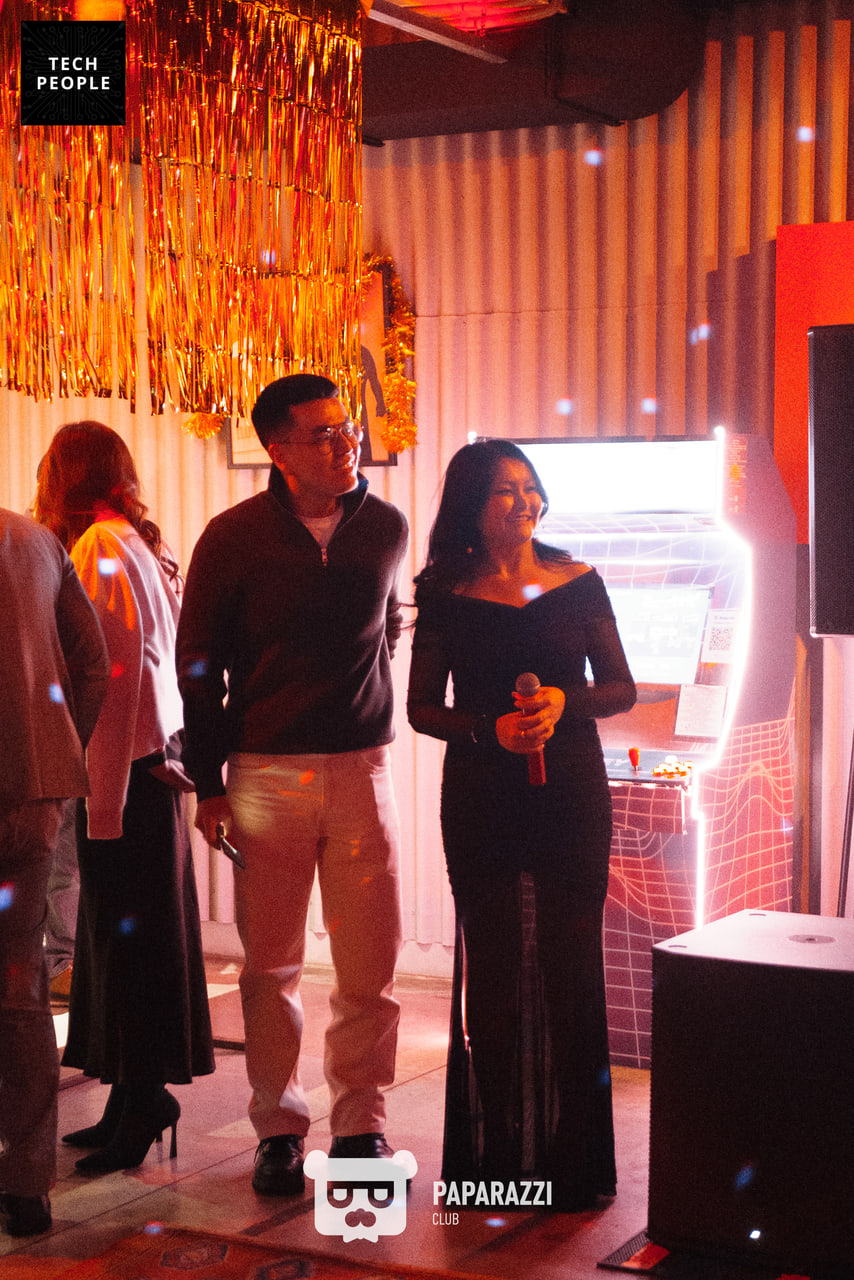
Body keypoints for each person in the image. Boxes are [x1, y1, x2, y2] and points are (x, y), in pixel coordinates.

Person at [175, 373, 408, 1196]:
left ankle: (361, 1124)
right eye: (324, 435)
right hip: (265, 773)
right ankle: (278, 1127)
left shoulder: (384, 526)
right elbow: (197, 667)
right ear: (278, 450)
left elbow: (387, 630)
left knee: (368, 967)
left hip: (363, 770)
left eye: (350, 430)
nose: (347, 445)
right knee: (269, 967)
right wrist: (208, 785)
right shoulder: (233, 537)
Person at [406, 439, 636, 1212]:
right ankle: (496, 1153)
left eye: (530, 486)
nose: (525, 500)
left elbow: (620, 689)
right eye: (506, 490)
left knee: (573, 965)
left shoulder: (579, 581)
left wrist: (567, 702)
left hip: (571, 789)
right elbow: (422, 708)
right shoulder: (446, 591)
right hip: (481, 792)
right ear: (472, 505)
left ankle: (575, 1159)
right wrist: (488, 729)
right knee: (494, 968)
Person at [33, 422, 215, 1176]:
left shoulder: (100, 547)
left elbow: (113, 680)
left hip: (125, 773)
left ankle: (141, 1100)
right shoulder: (132, 541)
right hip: (147, 768)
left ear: (65, 476)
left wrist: (97, 796)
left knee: (128, 947)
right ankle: (131, 1096)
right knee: (123, 943)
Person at [0, 507, 109, 1237]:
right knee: (20, 984)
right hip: (33, 792)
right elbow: (95, 666)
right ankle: (27, 1184)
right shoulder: (34, 540)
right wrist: (59, 747)